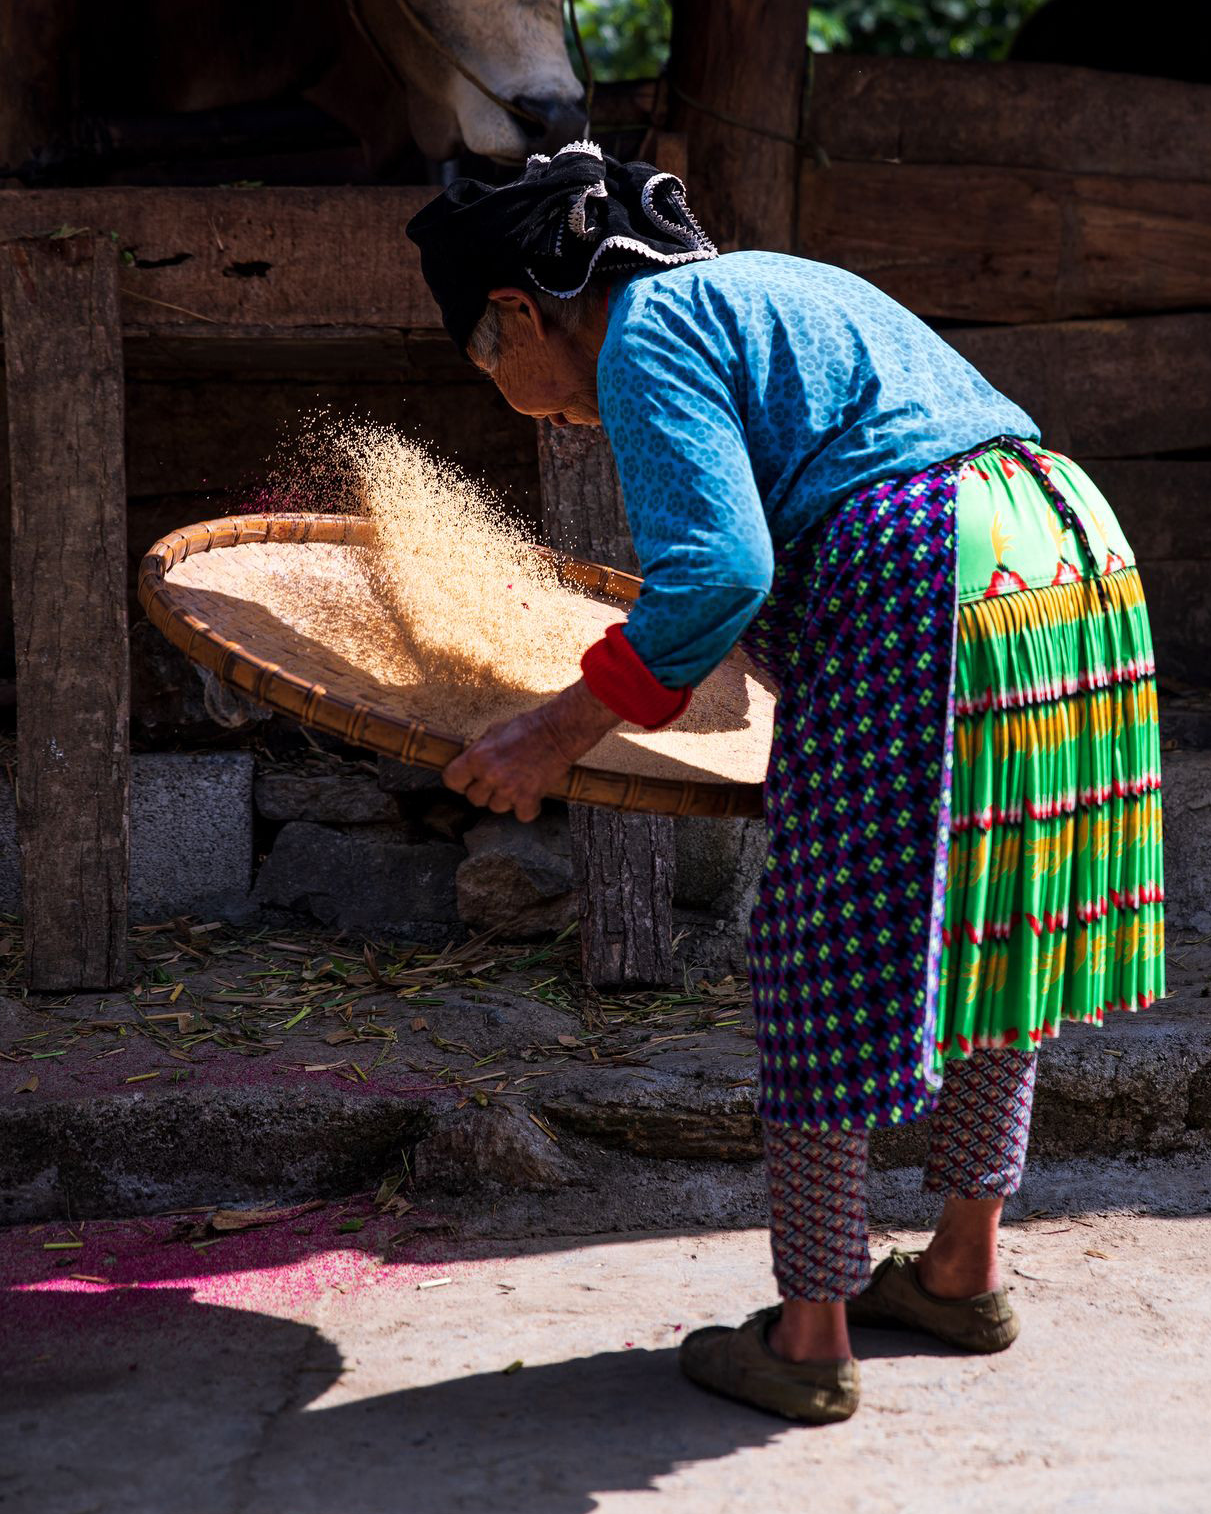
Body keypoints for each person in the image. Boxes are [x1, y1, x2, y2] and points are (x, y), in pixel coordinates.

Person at [405, 143, 1164, 1427]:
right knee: (991, 917)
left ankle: (808, 1333)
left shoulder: (639, 335)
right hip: (1059, 548)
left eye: (491, 367)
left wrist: (554, 731)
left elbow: (714, 578)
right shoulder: (757, 285)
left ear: (523, 309)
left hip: (918, 573)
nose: (518, 398)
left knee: (819, 951)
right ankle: (958, 1268)